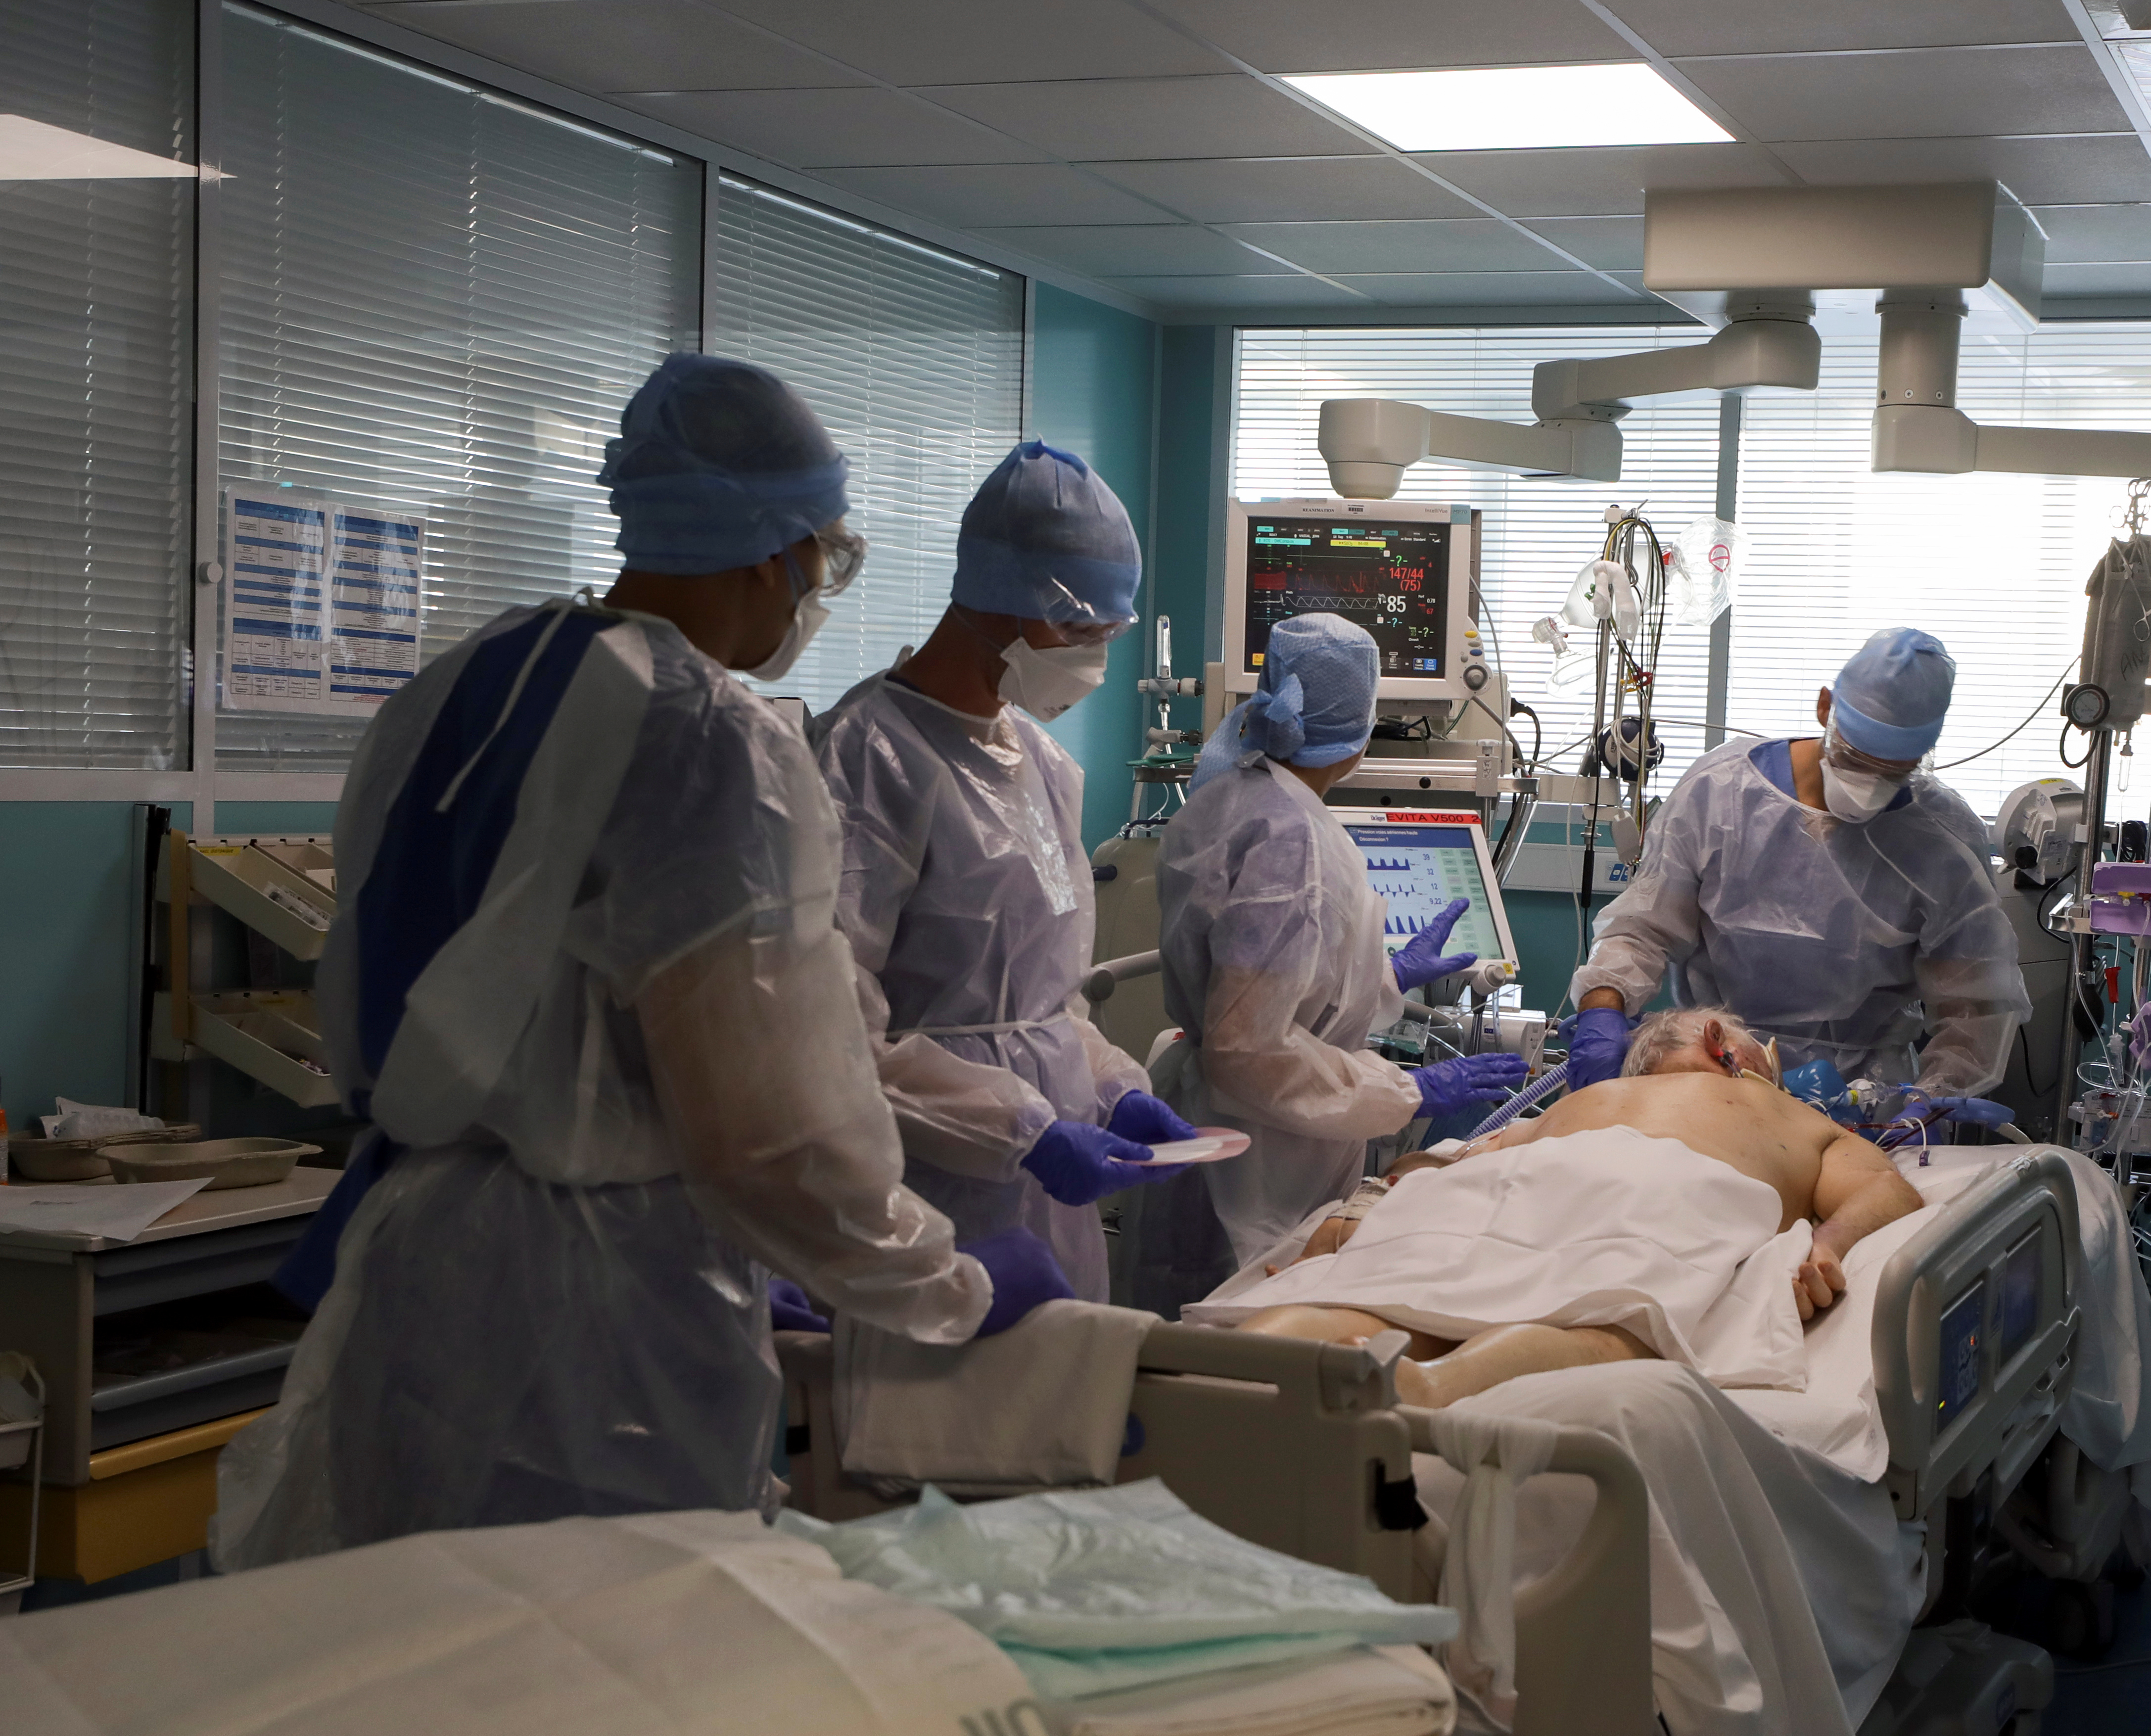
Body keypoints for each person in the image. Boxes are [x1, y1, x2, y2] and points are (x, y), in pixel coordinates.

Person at [215, 353, 1067, 1570]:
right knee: (600, 1682)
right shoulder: (709, 737)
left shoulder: (471, 679)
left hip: (422, 1251)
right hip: (598, 1313)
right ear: (775, 549)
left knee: (413, 1664)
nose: (815, 589)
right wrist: (946, 1281)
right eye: (827, 555)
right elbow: (767, 1129)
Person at [809, 441, 1192, 1301]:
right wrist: (1020, 1126)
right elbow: (831, 1036)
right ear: (1020, 605)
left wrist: (1109, 1088)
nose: (1093, 656)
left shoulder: (1042, 762)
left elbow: (1041, 1005)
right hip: (921, 1193)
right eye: (1086, 630)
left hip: (1051, 1191)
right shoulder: (868, 759)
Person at [1196, 1006, 1926, 1409]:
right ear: (1719, 1045)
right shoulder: (1784, 1111)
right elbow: (1883, 1190)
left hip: (1500, 1186)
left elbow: (1443, 1163)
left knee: (1384, 1296)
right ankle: (1433, 1391)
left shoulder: (1584, 1102)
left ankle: (1238, 1364)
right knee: (1615, 1323)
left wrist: (1366, 1205)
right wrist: (1825, 1244)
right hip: (1665, 1192)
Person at [1142, 611, 1521, 1278]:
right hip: (1259, 1158)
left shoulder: (1225, 798)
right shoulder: (1296, 844)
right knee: (1234, 1341)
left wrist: (1387, 978)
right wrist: (1404, 1090)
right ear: (1358, 729)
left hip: (1218, 1123)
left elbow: (1266, 990)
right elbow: (1250, 1050)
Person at [1562, 628, 2031, 1121]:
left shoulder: (1942, 841)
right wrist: (1602, 1008)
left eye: (1892, 771)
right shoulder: (1720, 793)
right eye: (1854, 758)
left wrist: (1927, 1107)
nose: (1867, 786)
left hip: (1862, 1103)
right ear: (1825, 707)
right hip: (1713, 1082)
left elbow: (1974, 1010)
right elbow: (1643, 927)